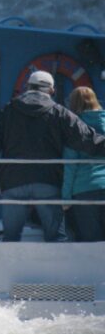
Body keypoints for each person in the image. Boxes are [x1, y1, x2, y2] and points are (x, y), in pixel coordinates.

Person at [0, 72, 105, 242]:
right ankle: (54, 269)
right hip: (48, 181)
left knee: (10, 237)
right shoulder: (59, 112)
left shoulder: (8, 110)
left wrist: (2, 173)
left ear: (27, 87)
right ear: (51, 90)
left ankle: (8, 268)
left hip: (13, 181)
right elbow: (86, 139)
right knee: (56, 237)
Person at [62, 87, 105, 242]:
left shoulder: (74, 128)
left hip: (85, 189)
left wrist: (65, 198)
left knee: (91, 242)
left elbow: (70, 166)